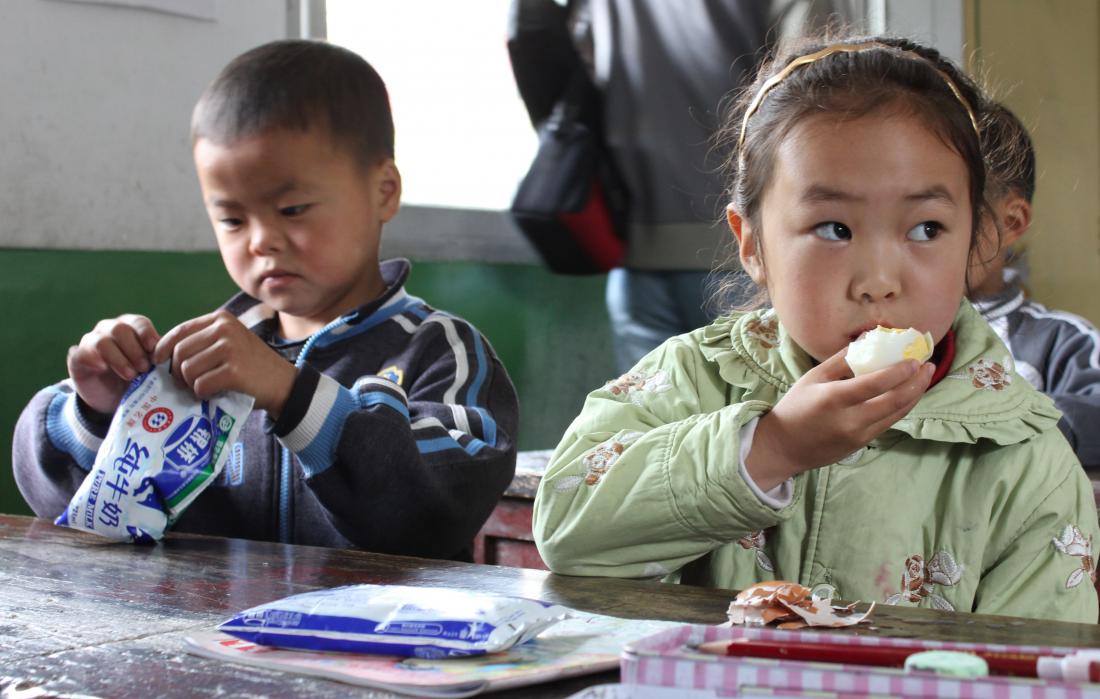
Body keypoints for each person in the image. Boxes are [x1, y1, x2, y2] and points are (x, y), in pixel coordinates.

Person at [533, 36, 1099, 621]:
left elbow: (1036, 668)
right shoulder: (690, 380)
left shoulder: (1024, 456)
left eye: (927, 229)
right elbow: (567, 530)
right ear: (752, 243)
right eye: (833, 228)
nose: (879, 281)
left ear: (977, 241)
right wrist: (770, 449)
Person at [12, 40, 518, 560]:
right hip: (214, 638)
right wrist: (102, 411)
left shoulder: (441, 351)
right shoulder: (199, 363)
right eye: (232, 219)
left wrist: (291, 394)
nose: (260, 241)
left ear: (384, 191)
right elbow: (72, 508)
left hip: (390, 638)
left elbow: (439, 507)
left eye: (292, 209)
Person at [968, 102, 1100, 471]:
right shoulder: (881, 336)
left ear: (1011, 221)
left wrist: (1019, 421)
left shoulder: (1062, 339)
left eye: (933, 226)